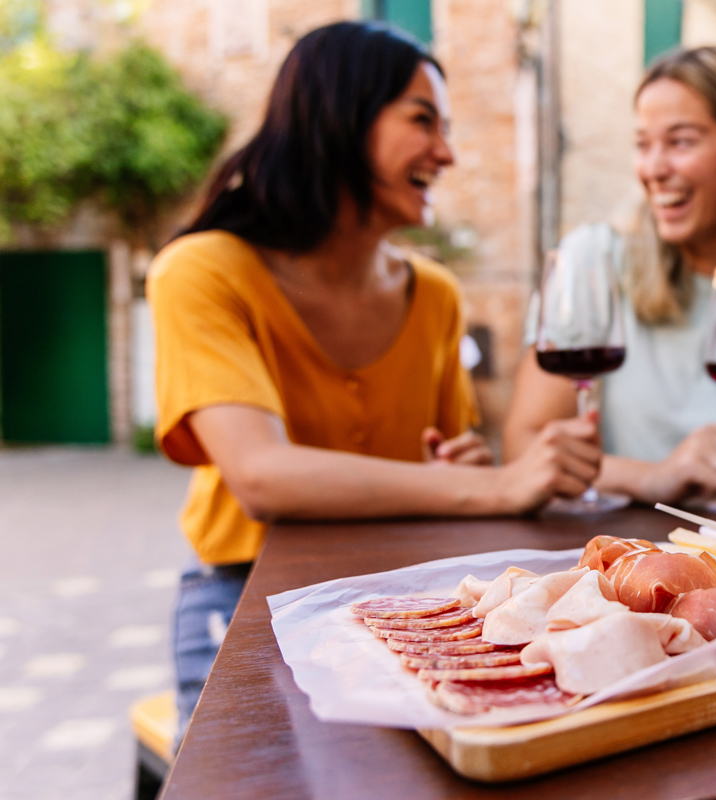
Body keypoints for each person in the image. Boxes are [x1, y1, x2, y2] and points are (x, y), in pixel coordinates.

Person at [148, 22, 602, 736]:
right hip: (242, 593)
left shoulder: (436, 294)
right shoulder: (200, 271)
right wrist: (496, 485)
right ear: (337, 120)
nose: (446, 153)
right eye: (422, 120)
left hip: (405, 585)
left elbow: (457, 460)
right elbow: (261, 477)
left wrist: (468, 467)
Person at [503, 46, 716, 504]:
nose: (653, 169)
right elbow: (525, 442)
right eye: (643, 144)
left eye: (681, 142)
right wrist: (654, 476)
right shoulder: (594, 259)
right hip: (618, 546)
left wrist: (709, 464)